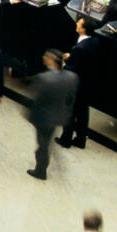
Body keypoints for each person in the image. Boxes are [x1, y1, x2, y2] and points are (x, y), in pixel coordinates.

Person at [27, 50, 78, 181]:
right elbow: (71, 99)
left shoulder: (44, 79)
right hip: (58, 116)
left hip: (43, 118)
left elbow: (37, 100)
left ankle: (40, 170)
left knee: (42, 145)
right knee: (46, 142)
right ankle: (41, 166)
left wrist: (31, 116)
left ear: (52, 60)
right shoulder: (71, 77)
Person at [58, 17, 100, 149]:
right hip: (88, 83)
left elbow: (73, 68)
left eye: (79, 23)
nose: (77, 24)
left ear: (83, 29)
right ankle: (81, 139)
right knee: (82, 113)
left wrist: (64, 64)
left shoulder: (80, 48)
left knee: (69, 111)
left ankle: (66, 139)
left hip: (75, 84)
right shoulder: (94, 42)